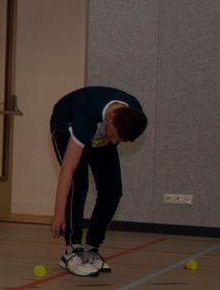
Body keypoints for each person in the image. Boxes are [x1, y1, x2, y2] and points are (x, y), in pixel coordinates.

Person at [49, 85, 148, 277]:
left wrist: (110, 139)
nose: (114, 141)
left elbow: (113, 136)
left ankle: (92, 248)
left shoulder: (133, 114)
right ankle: (72, 249)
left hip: (97, 133)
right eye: (115, 136)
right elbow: (67, 170)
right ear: (110, 119)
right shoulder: (85, 115)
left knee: (112, 190)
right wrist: (58, 214)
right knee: (79, 182)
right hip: (65, 127)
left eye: (118, 139)